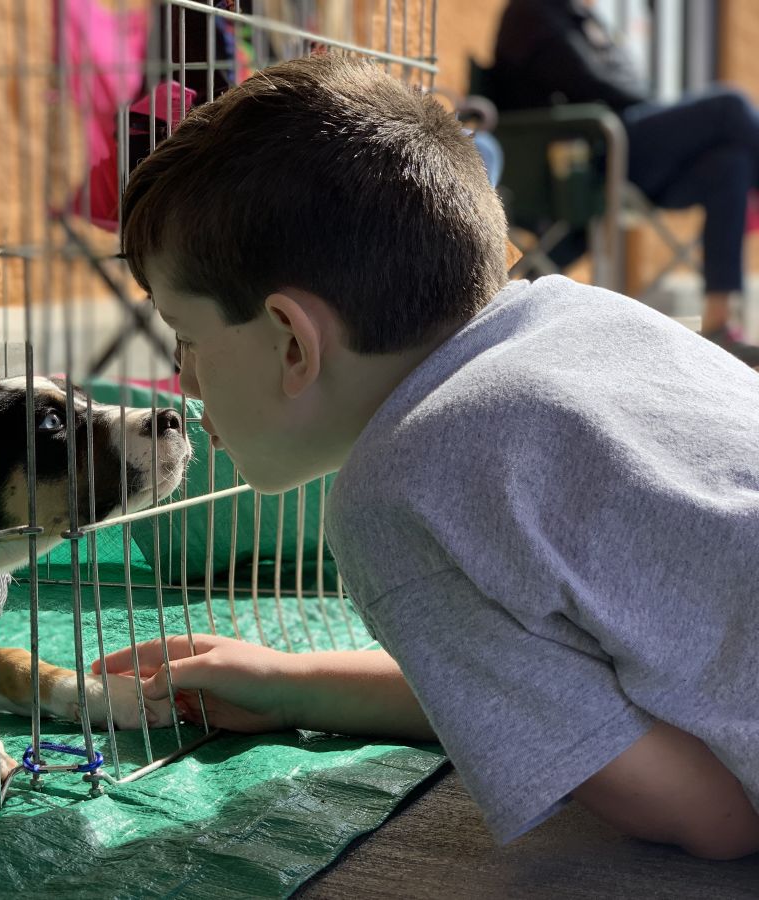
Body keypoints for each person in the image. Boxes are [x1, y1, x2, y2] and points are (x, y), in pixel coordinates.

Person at [92, 54, 759, 859]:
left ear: (292, 343)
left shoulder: (396, 496)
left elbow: (712, 817)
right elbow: (540, 689)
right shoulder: (591, 317)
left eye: (187, 339)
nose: (182, 378)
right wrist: (288, 684)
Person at [489, 0, 759, 367]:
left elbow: (628, 82)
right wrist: (633, 91)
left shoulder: (578, 17)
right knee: (729, 106)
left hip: (618, 151)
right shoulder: (533, 12)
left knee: (731, 164)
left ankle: (718, 320)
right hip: (589, 157)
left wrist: (631, 89)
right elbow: (596, 82)